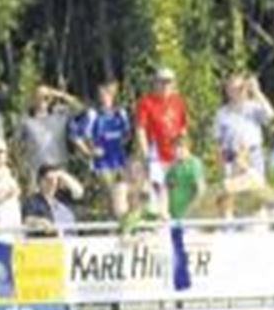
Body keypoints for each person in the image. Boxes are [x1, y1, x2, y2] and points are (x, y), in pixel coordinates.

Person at [134, 67, 188, 193]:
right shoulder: (145, 102)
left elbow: (183, 127)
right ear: (155, 82)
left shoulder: (178, 100)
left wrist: (183, 148)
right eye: (161, 81)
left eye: (168, 81)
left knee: (177, 189)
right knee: (159, 189)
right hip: (156, 153)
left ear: (174, 83)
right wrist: (146, 153)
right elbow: (140, 129)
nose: (165, 85)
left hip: (174, 152)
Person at [213, 73, 274, 178]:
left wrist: (256, 91)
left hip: (253, 156)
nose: (237, 92)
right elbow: (218, 140)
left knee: (256, 191)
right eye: (233, 89)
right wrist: (221, 163)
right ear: (228, 91)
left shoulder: (253, 107)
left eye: (240, 88)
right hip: (232, 158)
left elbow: (270, 114)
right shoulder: (222, 113)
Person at [18, 84, 82, 181]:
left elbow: (79, 107)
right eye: (39, 97)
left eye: (46, 97)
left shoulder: (60, 114)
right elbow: (17, 145)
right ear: (33, 98)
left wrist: (60, 94)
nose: (42, 100)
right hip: (37, 171)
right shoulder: (26, 120)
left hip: (60, 168)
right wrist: (23, 168)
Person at [89, 80, 132, 218]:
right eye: (101, 96)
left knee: (122, 192)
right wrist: (90, 150)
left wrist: (121, 143)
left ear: (112, 96)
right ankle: (111, 222)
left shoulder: (120, 113)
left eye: (106, 95)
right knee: (108, 191)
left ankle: (120, 222)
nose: (103, 98)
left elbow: (128, 133)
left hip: (119, 159)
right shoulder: (94, 114)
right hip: (102, 162)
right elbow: (83, 135)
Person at [22, 163, 83, 237]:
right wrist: (41, 222)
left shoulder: (63, 197)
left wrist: (62, 174)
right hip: (49, 244)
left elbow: (79, 192)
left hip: (72, 242)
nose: (52, 183)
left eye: (55, 179)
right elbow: (27, 220)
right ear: (40, 181)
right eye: (48, 179)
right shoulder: (33, 201)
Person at [165, 135, 207, 221]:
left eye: (181, 147)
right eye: (175, 148)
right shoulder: (173, 167)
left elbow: (201, 190)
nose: (178, 151)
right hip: (174, 216)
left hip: (190, 218)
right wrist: (164, 211)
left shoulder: (194, 163)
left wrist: (190, 212)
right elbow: (165, 190)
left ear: (188, 148)